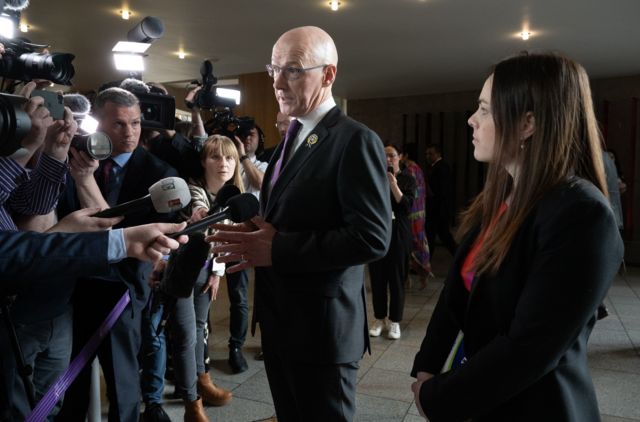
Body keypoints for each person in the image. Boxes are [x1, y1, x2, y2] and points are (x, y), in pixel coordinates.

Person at [410, 52, 624, 422]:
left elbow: (530, 347)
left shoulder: (581, 214)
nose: (471, 120)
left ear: (528, 123)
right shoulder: (500, 199)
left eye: (484, 110)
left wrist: (440, 397)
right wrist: (428, 366)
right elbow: (455, 297)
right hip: (486, 398)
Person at [210, 26, 391, 422]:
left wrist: (277, 248)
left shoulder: (353, 140)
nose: (276, 82)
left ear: (328, 75)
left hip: (322, 332)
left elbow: (372, 238)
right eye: (273, 68)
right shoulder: (292, 137)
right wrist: (255, 236)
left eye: (292, 70)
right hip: (282, 322)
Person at [56, 87, 178, 422]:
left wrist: (85, 183)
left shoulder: (160, 175)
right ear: (99, 124)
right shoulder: (76, 159)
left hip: (121, 293)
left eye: (136, 123)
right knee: (70, 387)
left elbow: (128, 238)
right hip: (73, 287)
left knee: (123, 388)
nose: (130, 132)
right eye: (119, 125)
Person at [167, 135, 238, 421]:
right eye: (215, 157)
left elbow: (225, 240)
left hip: (208, 269)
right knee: (185, 336)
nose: (224, 163)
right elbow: (201, 215)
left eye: (230, 157)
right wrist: (201, 215)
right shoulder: (192, 191)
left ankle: (202, 380)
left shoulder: (232, 194)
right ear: (203, 162)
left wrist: (218, 271)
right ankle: (191, 403)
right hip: (181, 270)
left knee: (199, 329)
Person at [368, 145, 415, 340]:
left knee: (396, 280)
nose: (388, 159)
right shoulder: (374, 178)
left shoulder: (408, 179)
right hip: (378, 234)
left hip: (399, 235)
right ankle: (379, 318)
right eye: (384, 155)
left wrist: (393, 184)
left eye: (392, 156)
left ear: (400, 157)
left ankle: (395, 321)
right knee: (378, 278)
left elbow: (406, 206)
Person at [400, 145, 432, 288]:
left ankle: (407, 279)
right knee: (418, 243)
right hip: (420, 213)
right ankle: (422, 276)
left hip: (411, 213)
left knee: (408, 245)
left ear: (405, 155)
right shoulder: (418, 169)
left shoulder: (408, 171)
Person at [424, 144, 457, 259]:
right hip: (437, 209)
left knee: (434, 236)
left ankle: (460, 256)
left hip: (438, 210)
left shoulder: (442, 167)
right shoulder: (436, 167)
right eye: (426, 154)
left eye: (430, 154)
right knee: (441, 236)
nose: (427, 156)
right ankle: (459, 256)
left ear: (438, 154)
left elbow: (443, 191)